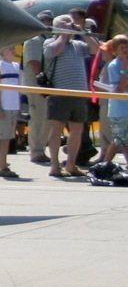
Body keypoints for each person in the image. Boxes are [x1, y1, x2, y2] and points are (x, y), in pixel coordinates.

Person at [41, 15, 95, 179]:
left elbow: (96, 50)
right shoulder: (49, 42)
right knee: (56, 129)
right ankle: (55, 165)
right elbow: (55, 51)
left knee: (77, 130)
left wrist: (84, 33)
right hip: (60, 93)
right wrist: (63, 35)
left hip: (79, 93)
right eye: (65, 25)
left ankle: (71, 164)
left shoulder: (78, 45)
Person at [0, 45, 25, 179]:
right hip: (4, 106)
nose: (12, 50)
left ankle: (3, 162)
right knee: (4, 137)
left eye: (13, 48)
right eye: (9, 48)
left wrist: (19, 105)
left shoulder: (16, 66)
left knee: (9, 136)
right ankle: (1, 165)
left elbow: (19, 87)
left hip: (13, 106)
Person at [23, 10, 53, 164]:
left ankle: (41, 148)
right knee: (38, 117)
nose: (47, 23)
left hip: (46, 85)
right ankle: (36, 150)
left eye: (49, 20)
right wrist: (42, 79)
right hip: (36, 84)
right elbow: (34, 62)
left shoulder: (48, 39)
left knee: (46, 118)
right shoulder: (34, 39)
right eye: (45, 20)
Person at [95, 35, 128, 168]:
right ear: (115, 52)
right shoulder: (114, 65)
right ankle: (106, 164)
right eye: (122, 48)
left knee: (123, 141)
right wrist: (125, 68)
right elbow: (121, 87)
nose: (126, 50)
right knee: (120, 140)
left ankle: (108, 164)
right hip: (119, 110)